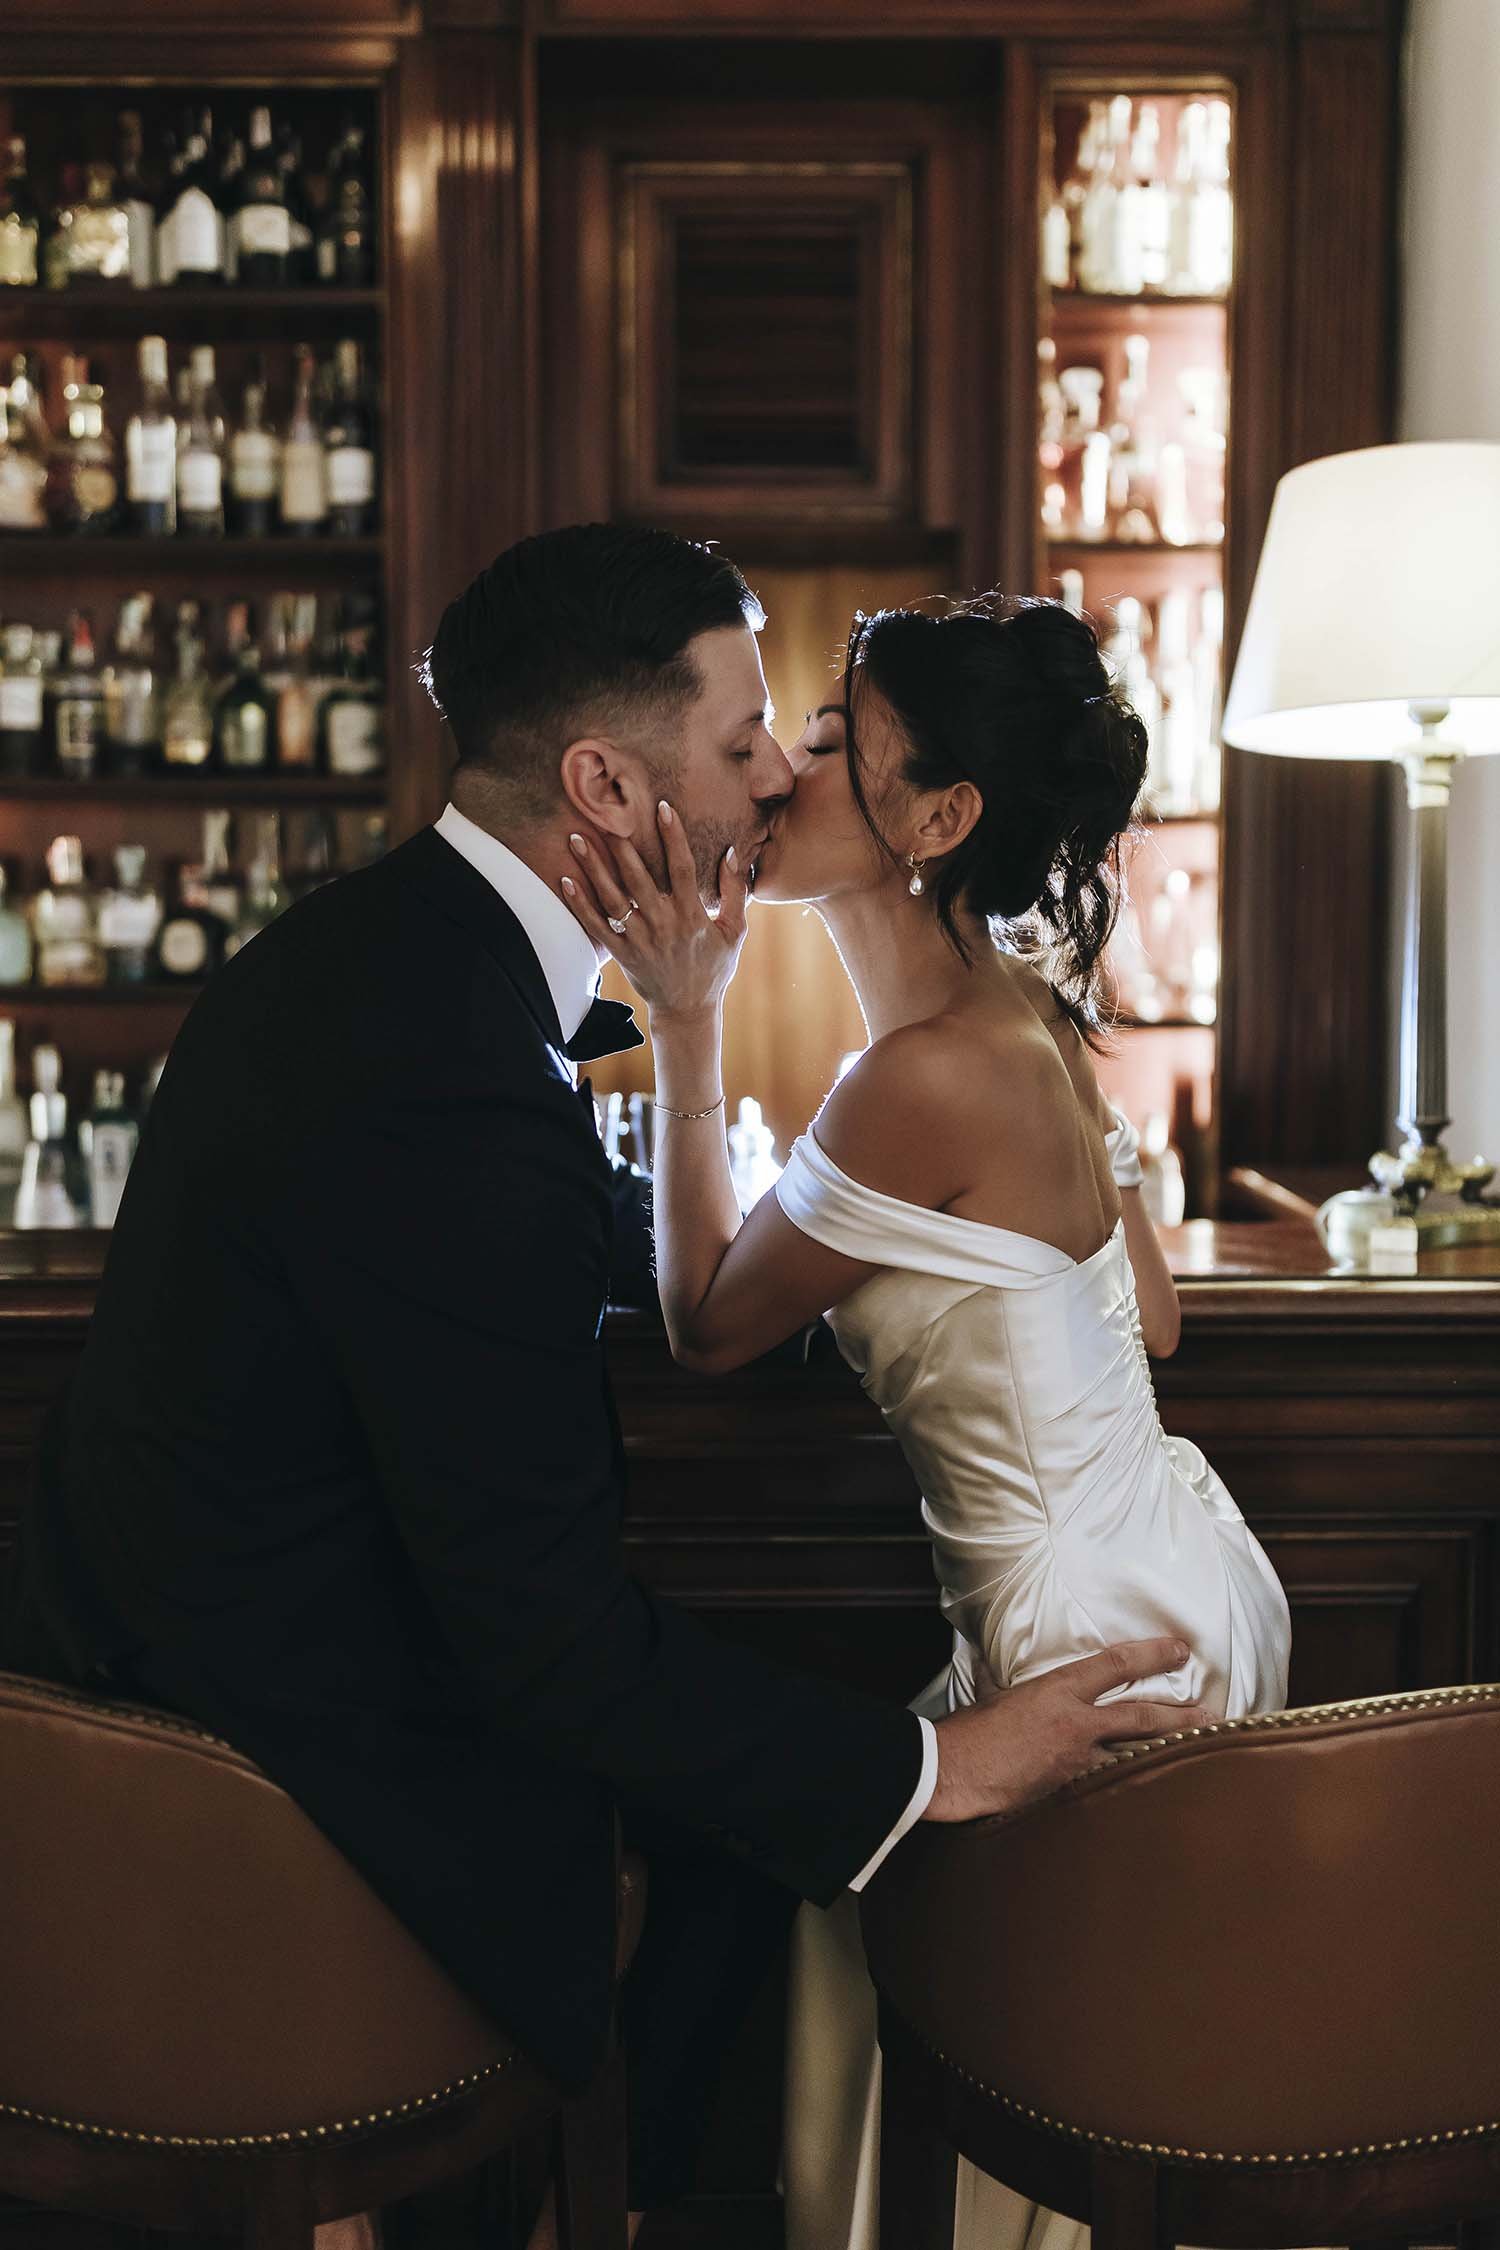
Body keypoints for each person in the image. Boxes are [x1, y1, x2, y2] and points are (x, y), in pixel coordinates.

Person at [0, 529, 1206, 2247]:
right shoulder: (447, 1064)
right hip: (248, 1773)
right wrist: (933, 1763)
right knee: (755, 1858)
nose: (777, 775)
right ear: (603, 784)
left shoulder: (405, 957)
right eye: (745, 740)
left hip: (213, 1653)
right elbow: (546, 1636)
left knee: (743, 1861)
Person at [558, 589, 1292, 2250]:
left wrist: (688, 1016)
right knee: (955, 1968)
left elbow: (705, 1322)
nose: (781, 769)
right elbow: (1154, 1315)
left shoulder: (921, 1076)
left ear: (940, 818)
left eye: (834, 741)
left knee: (980, 2016)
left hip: (1079, 1633)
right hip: (1179, 1570)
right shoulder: (1026, 1013)